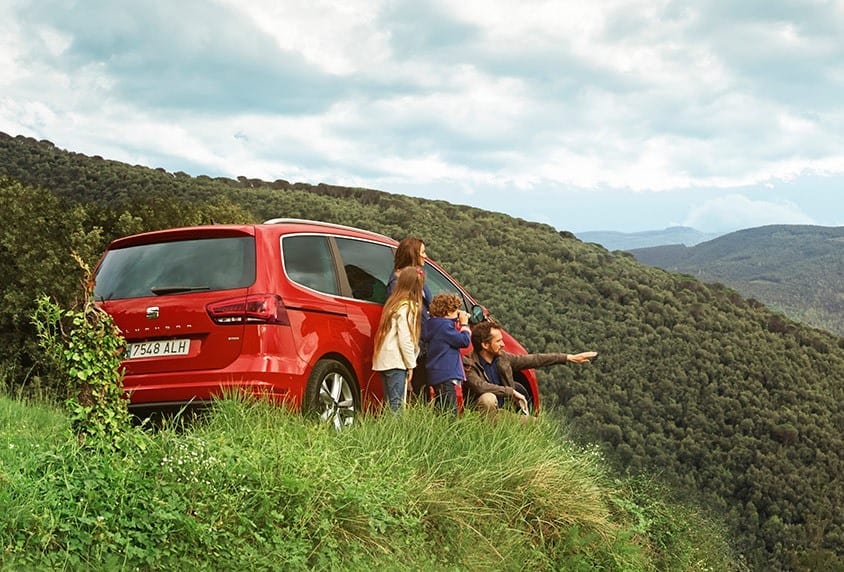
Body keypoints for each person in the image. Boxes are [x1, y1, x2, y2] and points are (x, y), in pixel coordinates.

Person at [463, 320, 597, 416]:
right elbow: (480, 386)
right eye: (498, 341)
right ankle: (488, 437)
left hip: (502, 413)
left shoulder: (503, 358)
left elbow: (535, 359)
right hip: (478, 414)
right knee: (488, 398)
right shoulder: (469, 363)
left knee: (536, 426)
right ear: (485, 345)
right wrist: (511, 391)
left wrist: (568, 357)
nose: (503, 344)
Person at [372, 266, 425, 412]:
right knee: (397, 405)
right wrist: (411, 364)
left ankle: (387, 432)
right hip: (397, 361)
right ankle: (395, 433)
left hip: (384, 359)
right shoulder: (408, 307)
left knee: (389, 401)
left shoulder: (392, 304)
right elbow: (405, 338)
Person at [422, 293, 471, 415]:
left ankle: (438, 431)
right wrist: (464, 324)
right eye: (455, 310)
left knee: (441, 409)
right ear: (448, 312)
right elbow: (464, 341)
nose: (458, 313)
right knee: (450, 412)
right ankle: (449, 433)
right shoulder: (444, 327)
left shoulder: (433, 325)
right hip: (445, 374)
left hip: (437, 373)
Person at [386, 237, 432, 319]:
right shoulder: (396, 284)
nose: (425, 256)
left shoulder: (416, 275)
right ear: (413, 255)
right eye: (423, 252)